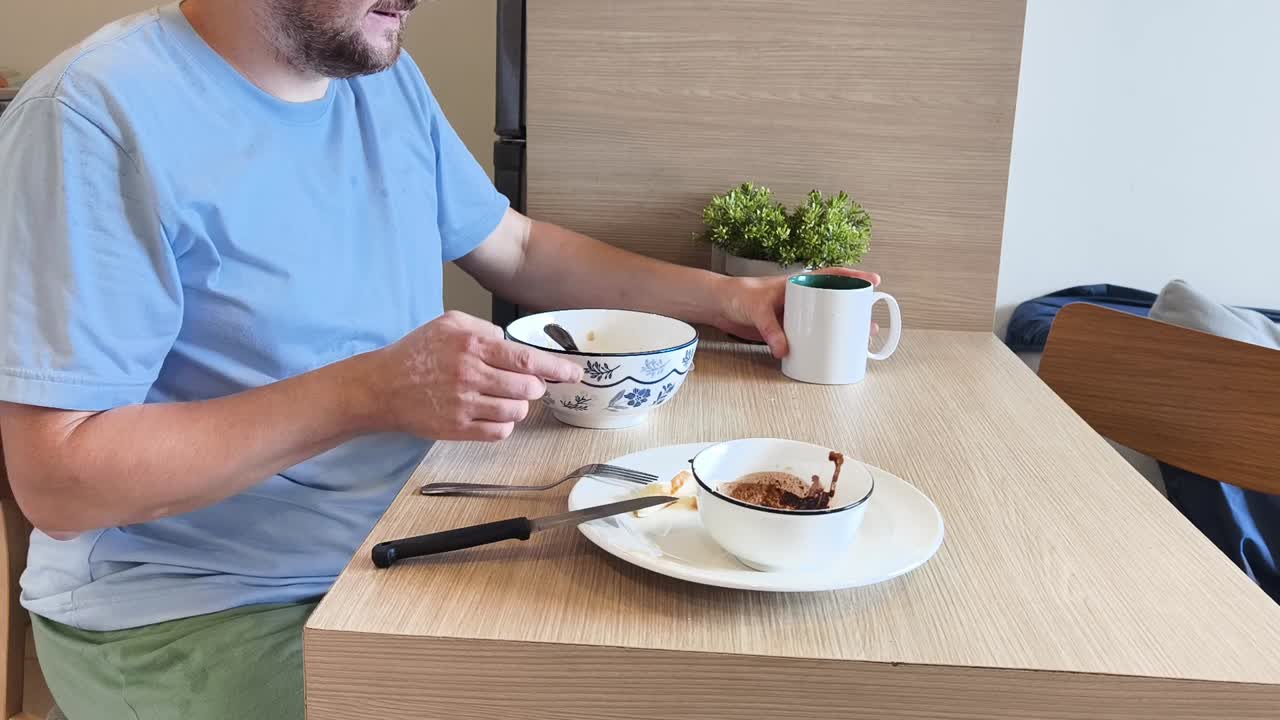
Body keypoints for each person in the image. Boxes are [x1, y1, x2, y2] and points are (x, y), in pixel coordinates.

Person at [0, 1, 879, 718]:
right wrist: (370, 392)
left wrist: (732, 302)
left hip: (402, 538)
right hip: (191, 612)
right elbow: (60, 481)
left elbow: (519, 248)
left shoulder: (377, 80)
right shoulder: (93, 118)